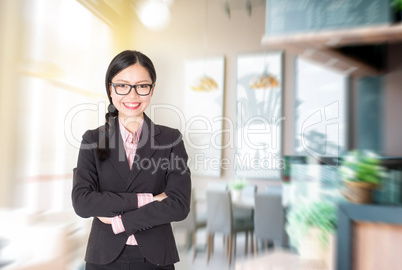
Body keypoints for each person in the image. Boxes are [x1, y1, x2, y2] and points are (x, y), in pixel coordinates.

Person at [72, 50, 191, 270]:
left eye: (142, 86)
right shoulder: (92, 139)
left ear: (152, 89)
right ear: (110, 88)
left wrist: (120, 221)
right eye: (122, 85)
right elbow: (82, 202)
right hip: (103, 257)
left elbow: (179, 205)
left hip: (156, 257)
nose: (132, 95)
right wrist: (148, 199)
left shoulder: (171, 139)